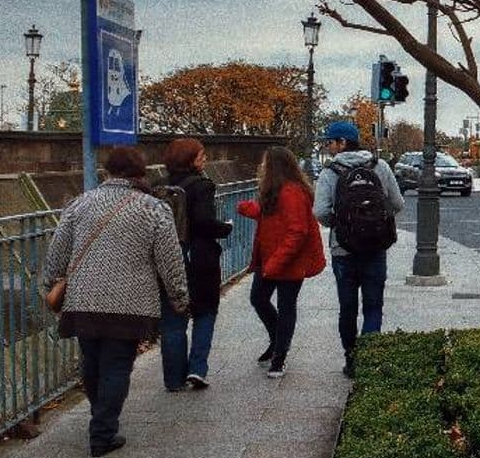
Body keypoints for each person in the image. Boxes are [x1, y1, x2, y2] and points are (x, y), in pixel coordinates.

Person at [43, 147, 189, 457]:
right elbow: (170, 260)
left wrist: (50, 285)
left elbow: (57, 254)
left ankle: (101, 416)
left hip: (83, 299)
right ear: (141, 173)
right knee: (117, 366)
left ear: (107, 172)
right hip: (130, 303)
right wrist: (179, 297)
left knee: (92, 362)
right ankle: (103, 432)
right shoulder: (153, 209)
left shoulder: (79, 204)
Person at [313, 121, 404, 377]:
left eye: (330, 142)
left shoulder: (330, 172)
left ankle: (351, 359)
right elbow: (397, 203)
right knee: (374, 306)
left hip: (344, 251)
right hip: (376, 248)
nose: (328, 147)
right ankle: (369, 358)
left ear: (342, 142)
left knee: (348, 308)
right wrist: (375, 221)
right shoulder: (380, 166)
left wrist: (343, 225)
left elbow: (320, 212)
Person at [237, 146, 326, 378]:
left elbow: (298, 231)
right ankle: (277, 341)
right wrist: (248, 208)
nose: (262, 167)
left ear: (274, 166)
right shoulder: (278, 190)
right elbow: (272, 213)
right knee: (258, 298)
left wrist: (276, 262)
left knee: (285, 306)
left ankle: (280, 356)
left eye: (266, 163)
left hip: (287, 261)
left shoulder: (292, 192)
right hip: (272, 259)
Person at [158, 138, 233, 390]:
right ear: (190, 160)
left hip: (167, 258)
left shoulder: (158, 186)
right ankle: (197, 368)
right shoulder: (202, 186)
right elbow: (204, 222)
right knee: (205, 312)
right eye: (201, 156)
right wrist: (225, 228)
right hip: (199, 258)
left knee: (172, 319)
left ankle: (173, 379)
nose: (205, 160)